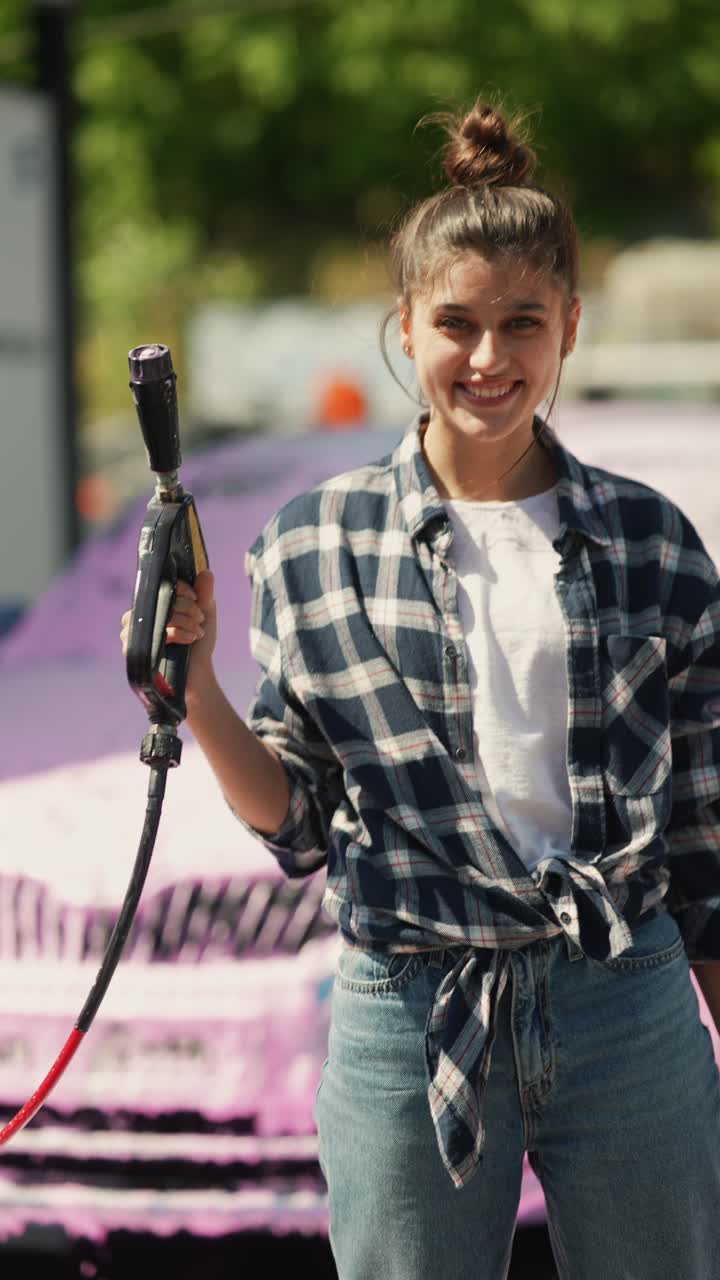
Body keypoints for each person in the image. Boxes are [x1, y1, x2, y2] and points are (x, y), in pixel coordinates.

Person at [121, 99, 720, 1279]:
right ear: (402, 324)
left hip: (628, 999)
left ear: (571, 329)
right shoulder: (311, 544)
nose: (489, 357)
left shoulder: (657, 542)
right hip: (408, 1002)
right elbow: (295, 815)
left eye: (523, 322)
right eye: (455, 322)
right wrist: (192, 692)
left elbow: (705, 831)